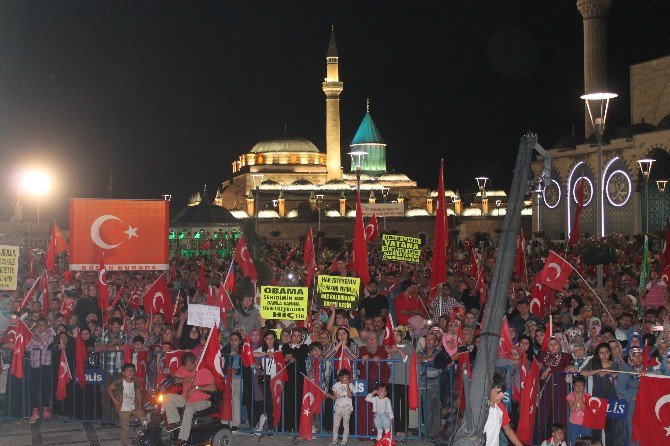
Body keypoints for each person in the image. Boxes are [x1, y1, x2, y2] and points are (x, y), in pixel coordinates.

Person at [163, 351, 216, 446]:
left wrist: (196, 387)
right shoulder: (183, 369)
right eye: (186, 367)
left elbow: (213, 388)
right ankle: (175, 422)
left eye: (190, 366)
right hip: (186, 399)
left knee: (189, 409)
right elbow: (174, 378)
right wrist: (183, 380)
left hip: (202, 402)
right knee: (167, 397)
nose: (188, 369)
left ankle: (183, 439)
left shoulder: (203, 370)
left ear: (194, 362)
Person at [107, 363, 148, 446]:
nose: (130, 373)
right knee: (125, 427)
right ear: (123, 372)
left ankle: (143, 436)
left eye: (132, 371)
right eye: (127, 371)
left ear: (134, 372)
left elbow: (138, 393)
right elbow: (109, 389)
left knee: (145, 420)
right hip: (123, 408)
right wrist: (115, 401)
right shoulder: (119, 382)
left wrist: (140, 406)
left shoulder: (135, 381)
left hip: (134, 406)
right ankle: (126, 444)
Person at [483, 372, 523, 446]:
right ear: (487, 390)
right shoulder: (480, 410)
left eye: (503, 392)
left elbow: (508, 429)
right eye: (498, 392)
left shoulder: (500, 406)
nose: (503, 395)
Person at [328, 368, 355, 446]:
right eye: (344, 377)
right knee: (336, 424)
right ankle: (334, 441)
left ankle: (344, 441)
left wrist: (347, 386)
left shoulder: (351, 385)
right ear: (339, 378)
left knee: (345, 424)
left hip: (347, 407)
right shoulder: (336, 385)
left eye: (347, 377)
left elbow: (350, 396)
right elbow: (335, 397)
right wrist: (329, 395)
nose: (346, 379)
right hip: (338, 407)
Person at [566, 375, 592, 444]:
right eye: (577, 386)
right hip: (574, 423)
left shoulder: (588, 396)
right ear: (573, 386)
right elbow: (572, 410)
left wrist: (580, 399)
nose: (579, 388)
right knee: (574, 442)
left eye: (581, 386)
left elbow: (586, 411)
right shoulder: (570, 396)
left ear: (584, 387)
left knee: (587, 442)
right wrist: (577, 398)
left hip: (586, 423)